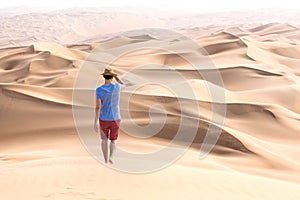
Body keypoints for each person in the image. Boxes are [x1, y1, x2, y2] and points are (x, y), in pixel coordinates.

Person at [94, 68, 125, 164]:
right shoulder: (117, 87)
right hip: (115, 118)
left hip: (103, 118)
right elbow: (124, 85)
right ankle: (111, 157)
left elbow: (98, 107)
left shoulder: (99, 89)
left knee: (104, 140)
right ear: (112, 77)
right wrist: (116, 77)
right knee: (113, 140)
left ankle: (105, 160)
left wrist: (95, 122)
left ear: (103, 77)